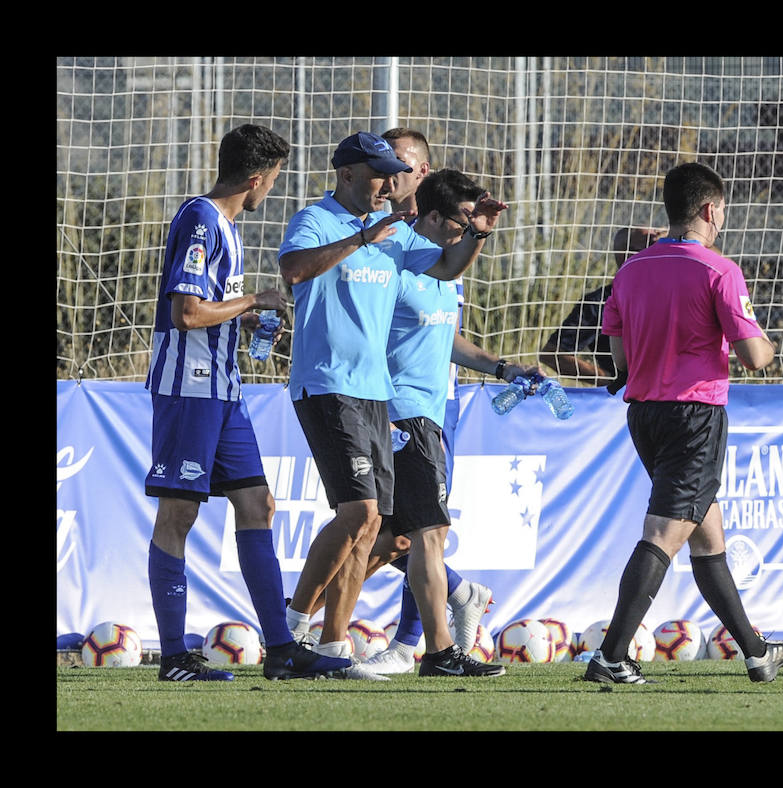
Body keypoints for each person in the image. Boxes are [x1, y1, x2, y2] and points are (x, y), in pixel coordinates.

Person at [278, 131, 507, 678]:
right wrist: (363, 238)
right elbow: (293, 272)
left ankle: (334, 649)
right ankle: (288, 626)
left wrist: (476, 231)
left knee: (373, 521)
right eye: (380, 173)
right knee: (358, 513)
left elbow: (448, 269)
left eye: (393, 172)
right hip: (327, 383)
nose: (390, 183)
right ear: (348, 174)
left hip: (375, 392)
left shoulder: (397, 237)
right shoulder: (318, 220)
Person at [144, 123, 351, 682]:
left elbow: (211, 309)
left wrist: (248, 314)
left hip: (223, 389)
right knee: (178, 514)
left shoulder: (227, 229)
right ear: (257, 177)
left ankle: (282, 650)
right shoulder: (200, 219)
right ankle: (173, 658)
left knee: (258, 505)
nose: (271, 191)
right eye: (274, 180)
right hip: (188, 388)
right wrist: (252, 299)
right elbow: (186, 313)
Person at [585, 161, 783, 685]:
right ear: (708, 209)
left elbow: (621, 357)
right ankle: (610, 657)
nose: (723, 219)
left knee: (707, 535)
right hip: (694, 415)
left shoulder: (631, 270)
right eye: (722, 209)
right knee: (663, 531)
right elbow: (753, 356)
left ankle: (754, 652)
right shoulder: (719, 270)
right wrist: (767, 344)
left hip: (645, 414)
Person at [361, 168, 542, 676]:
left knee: (387, 539)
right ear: (433, 216)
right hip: (400, 415)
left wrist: (503, 368)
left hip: (432, 416)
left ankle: (310, 627)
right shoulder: (396, 263)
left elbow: (450, 343)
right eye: (461, 219)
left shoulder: (445, 274)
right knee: (428, 532)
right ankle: (439, 651)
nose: (466, 228)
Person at [539, 227, 664, 394]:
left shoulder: (669, 294)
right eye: (650, 246)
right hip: (626, 404)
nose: (659, 252)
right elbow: (551, 355)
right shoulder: (599, 302)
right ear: (626, 255)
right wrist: (609, 380)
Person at [380, 127, 431, 213]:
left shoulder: (438, 224)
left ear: (422, 170)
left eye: (397, 160)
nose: (387, 168)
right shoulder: (373, 222)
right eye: (381, 160)